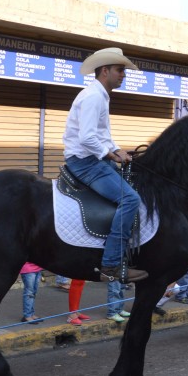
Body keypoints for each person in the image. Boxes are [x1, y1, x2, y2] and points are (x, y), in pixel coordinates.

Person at [63, 47, 146, 284]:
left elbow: (101, 134)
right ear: (105, 71)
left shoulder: (100, 95)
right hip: (85, 162)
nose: (124, 75)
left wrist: (118, 150)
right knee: (130, 199)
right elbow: (87, 138)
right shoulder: (93, 97)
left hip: (92, 158)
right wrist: (110, 155)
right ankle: (110, 263)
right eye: (120, 70)